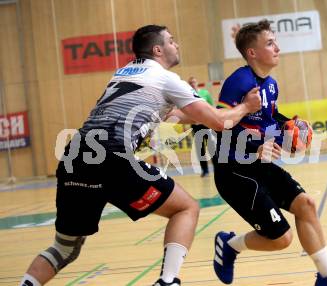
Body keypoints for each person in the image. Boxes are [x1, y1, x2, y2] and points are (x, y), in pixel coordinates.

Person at [19, 25, 261, 286]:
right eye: (171, 40)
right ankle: (168, 281)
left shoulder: (123, 74)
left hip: (75, 156)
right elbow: (216, 122)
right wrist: (246, 107)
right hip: (112, 156)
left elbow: (178, 115)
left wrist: (220, 115)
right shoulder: (167, 80)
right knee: (186, 207)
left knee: (64, 249)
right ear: (158, 49)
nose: (176, 44)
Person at [211, 20, 327, 286]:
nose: (277, 48)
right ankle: (230, 245)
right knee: (281, 238)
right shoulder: (238, 82)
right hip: (234, 171)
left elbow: (269, 118)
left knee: (306, 205)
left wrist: (290, 127)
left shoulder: (270, 84)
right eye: (270, 43)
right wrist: (255, 146)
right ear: (252, 53)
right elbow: (220, 127)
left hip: (260, 165)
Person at [188, 76, 215, 177]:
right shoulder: (188, 95)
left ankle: (218, 169)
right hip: (195, 126)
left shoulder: (205, 93)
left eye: (194, 82)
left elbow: (212, 107)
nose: (192, 84)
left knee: (211, 148)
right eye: (190, 83)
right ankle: (205, 171)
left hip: (207, 124)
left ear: (197, 82)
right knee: (201, 149)